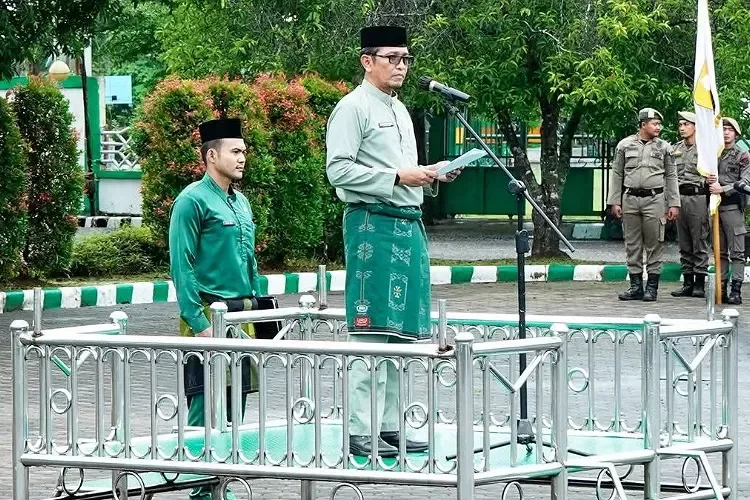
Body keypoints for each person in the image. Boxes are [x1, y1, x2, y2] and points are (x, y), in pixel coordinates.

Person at [325, 25, 461, 458]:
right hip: (372, 224)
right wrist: (398, 177)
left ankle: (389, 427)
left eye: (406, 59)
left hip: (407, 224)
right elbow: (338, 170)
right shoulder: (352, 108)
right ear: (367, 61)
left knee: (400, 334)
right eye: (392, 58)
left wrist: (433, 172)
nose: (401, 66)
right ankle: (359, 429)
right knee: (371, 331)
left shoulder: (400, 109)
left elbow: (405, 171)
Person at [169, 118, 261, 500]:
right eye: (235, 151)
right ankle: (201, 492)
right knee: (205, 408)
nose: (242, 158)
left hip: (242, 317)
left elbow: (250, 263)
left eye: (244, 151)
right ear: (211, 156)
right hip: (207, 317)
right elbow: (181, 264)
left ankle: (221, 486)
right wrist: (197, 321)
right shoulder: (191, 201)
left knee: (236, 407)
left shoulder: (241, 202)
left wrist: (260, 313)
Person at [607, 107, 680, 301]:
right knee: (632, 244)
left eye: (659, 124)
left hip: (655, 199)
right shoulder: (624, 145)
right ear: (643, 125)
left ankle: (652, 288)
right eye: (654, 124)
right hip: (630, 199)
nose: (658, 127)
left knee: (655, 243)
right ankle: (636, 287)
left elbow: (671, 176)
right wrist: (614, 201)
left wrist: (674, 203)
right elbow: (617, 173)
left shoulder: (665, 147)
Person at [707, 117, 750, 304]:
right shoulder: (713, 154)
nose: (726, 133)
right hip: (715, 207)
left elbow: (745, 181)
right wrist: (707, 181)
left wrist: (722, 189)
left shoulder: (743, 155)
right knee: (720, 251)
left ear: (736, 134)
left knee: (737, 252)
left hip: (732, 206)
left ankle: (736, 290)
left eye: (730, 130)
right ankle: (721, 287)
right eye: (723, 129)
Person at [669, 111, 710, 298]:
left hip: (697, 197)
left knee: (699, 239)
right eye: (680, 125)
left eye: (686, 124)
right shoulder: (675, 149)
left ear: (695, 127)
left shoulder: (705, 149)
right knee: (684, 241)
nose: (682, 128)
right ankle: (687, 282)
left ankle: (699, 282)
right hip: (679, 198)